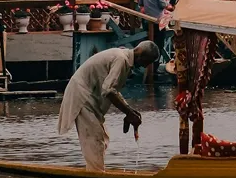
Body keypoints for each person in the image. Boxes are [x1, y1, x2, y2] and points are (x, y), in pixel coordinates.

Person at [57, 40, 161, 171]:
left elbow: (112, 90)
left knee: (102, 138)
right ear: (141, 54)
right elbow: (108, 90)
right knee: (94, 140)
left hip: (91, 98)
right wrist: (128, 112)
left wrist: (130, 111)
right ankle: (96, 176)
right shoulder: (121, 59)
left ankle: (97, 172)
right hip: (83, 96)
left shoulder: (123, 58)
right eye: (148, 61)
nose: (146, 66)